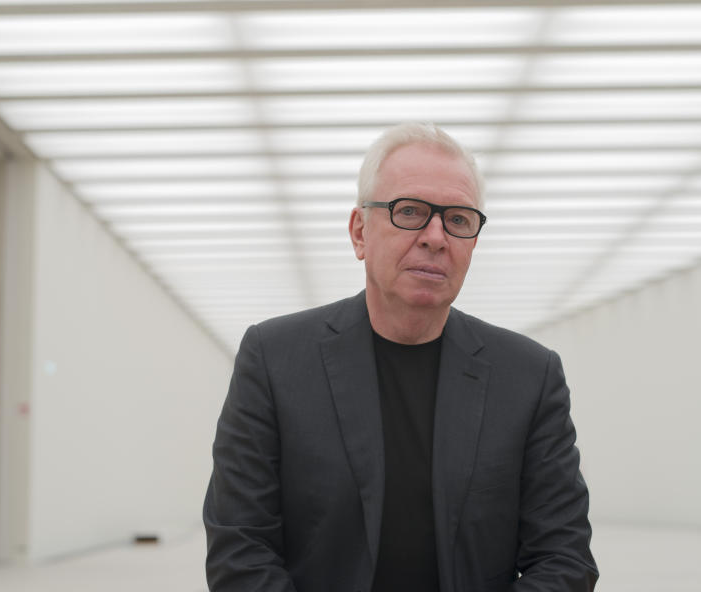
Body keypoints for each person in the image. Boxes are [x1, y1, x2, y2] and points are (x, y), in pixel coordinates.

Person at [204, 122, 597, 592]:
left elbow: (563, 559)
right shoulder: (273, 359)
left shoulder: (531, 376)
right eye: (409, 211)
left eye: (457, 219)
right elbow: (240, 549)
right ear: (359, 232)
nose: (435, 236)